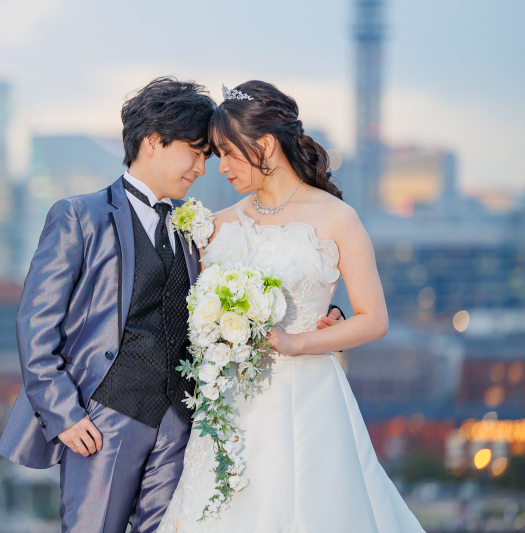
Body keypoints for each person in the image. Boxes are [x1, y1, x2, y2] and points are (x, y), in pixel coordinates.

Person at [0, 77, 345, 533]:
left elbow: (256, 285)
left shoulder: (195, 228)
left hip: (182, 424)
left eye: (208, 156)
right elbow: (36, 322)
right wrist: (63, 414)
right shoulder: (80, 216)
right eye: (195, 151)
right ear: (153, 141)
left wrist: (322, 320)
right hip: (102, 420)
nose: (202, 167)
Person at [159, 81, 425, 533]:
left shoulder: (337, 218)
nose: (220, 167)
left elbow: (374, 319)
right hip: (227, 404)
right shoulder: (215, 226)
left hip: (307, 396)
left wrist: (299, 341)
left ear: (264, 144)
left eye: (228, 152)